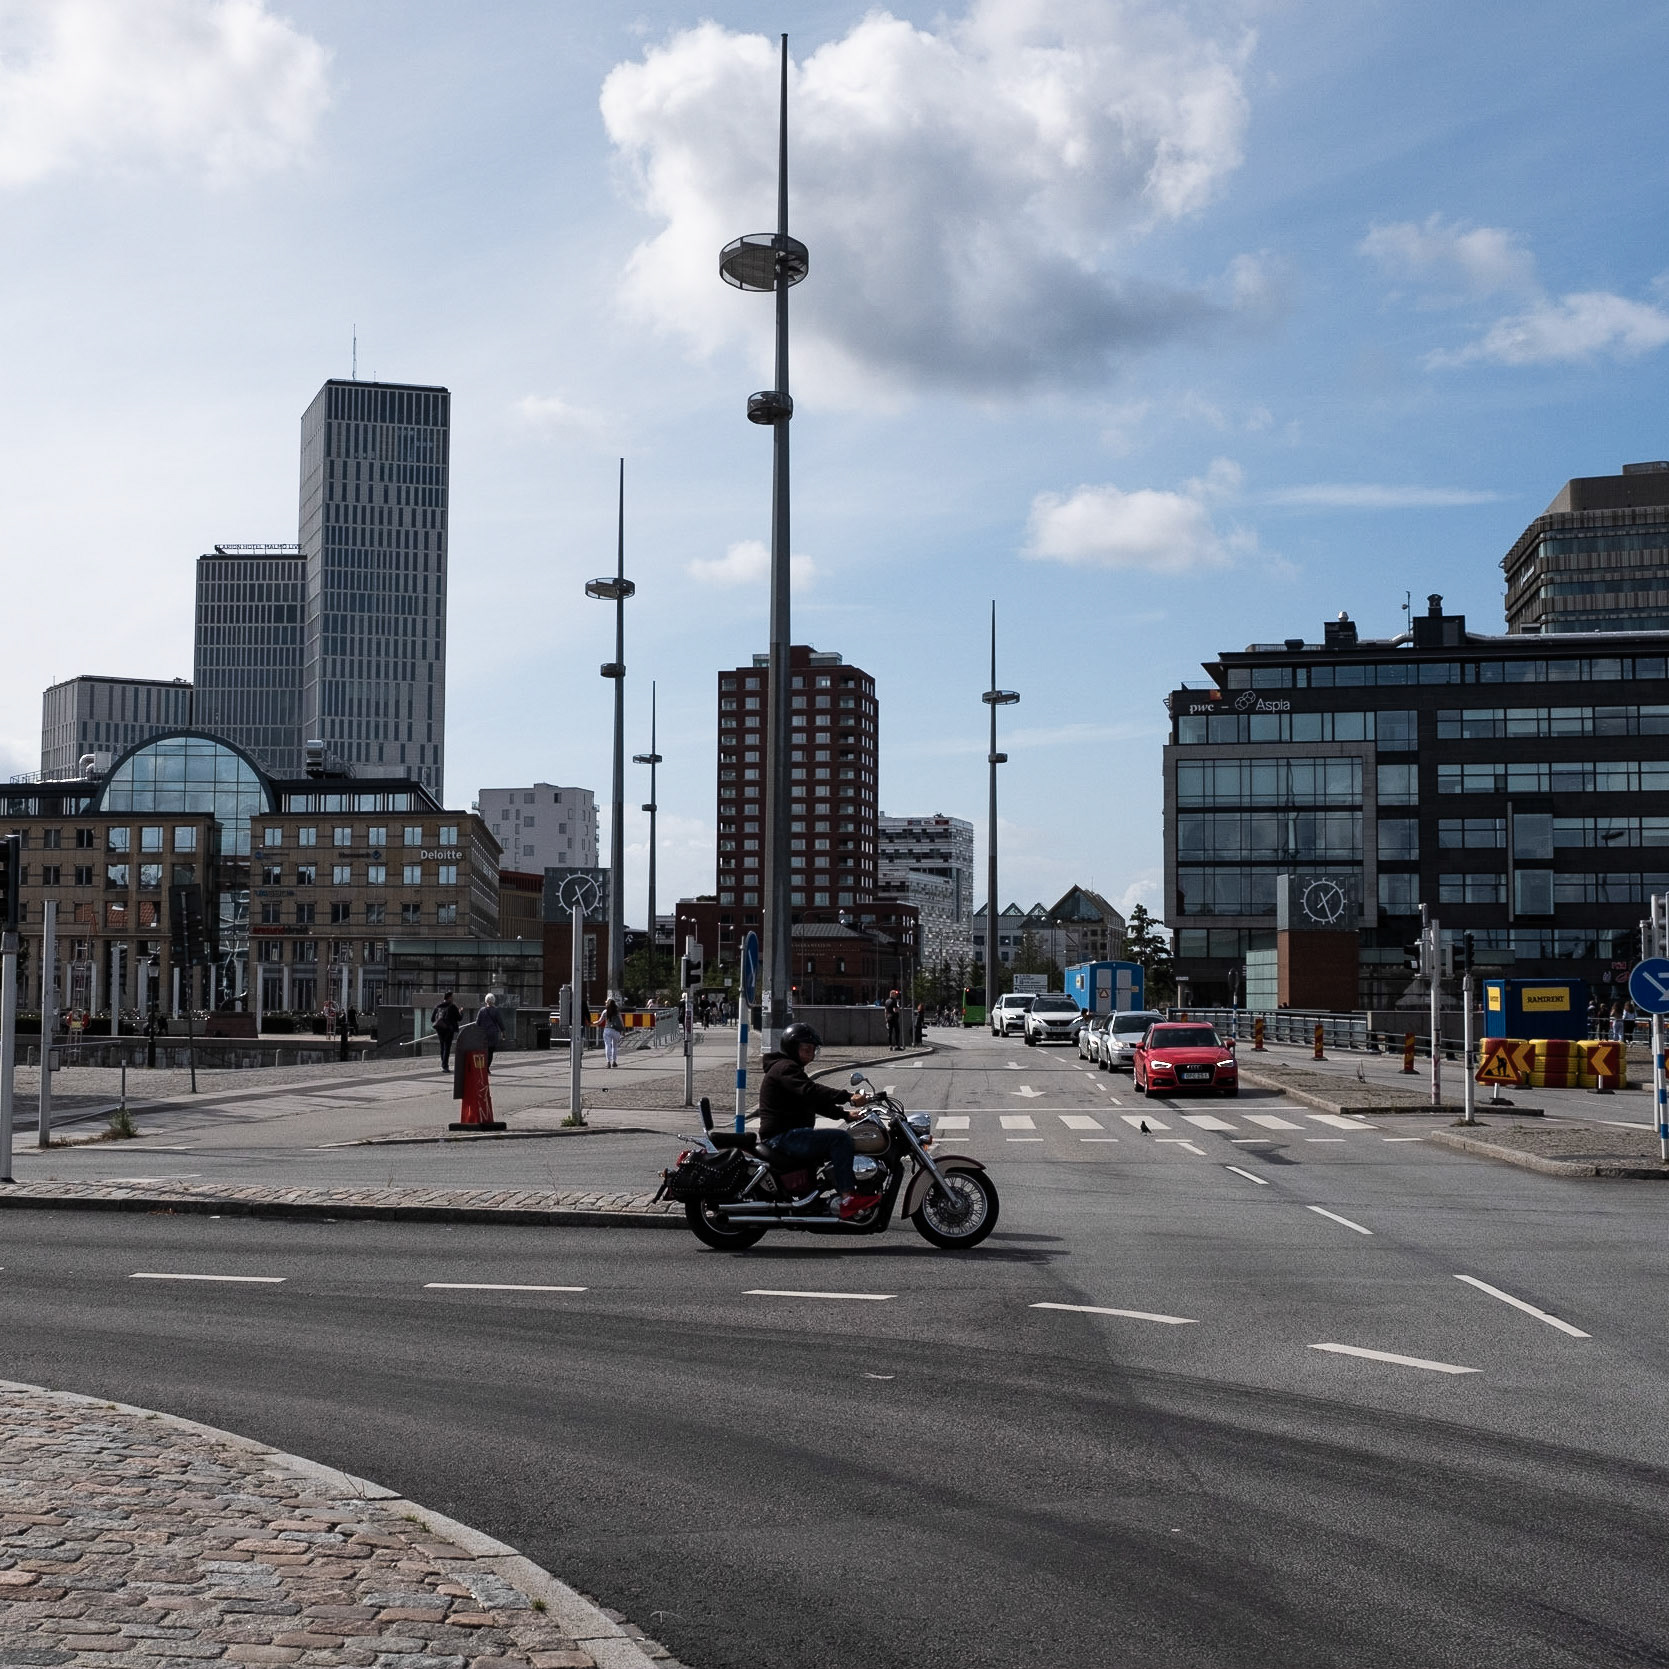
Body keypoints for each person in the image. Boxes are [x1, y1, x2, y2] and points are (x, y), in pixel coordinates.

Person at [758, 1022, 879, 1221]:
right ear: (792, 1048)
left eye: (813, 1050)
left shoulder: (789, 1069)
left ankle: (822, 1193)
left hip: (788, 1135)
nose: (811, 1054)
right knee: (840, 1139)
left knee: (836, 1140)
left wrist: (845, 1115)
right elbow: (810, 1091)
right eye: (806, 1049)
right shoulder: (785, 1068)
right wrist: (848, 1096)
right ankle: (848, 1198)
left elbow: (811, 1102)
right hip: (781, 1137)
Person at [431, 991, 461, 1071]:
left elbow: (432, 1019)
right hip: (448, 1030)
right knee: (447, 1047)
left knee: (442, 1046)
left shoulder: (438, 1006)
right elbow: (459, 1018)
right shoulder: (452, 1007)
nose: (453, 999)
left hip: (439, 1029)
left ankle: (443, 1064)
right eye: (452, 997)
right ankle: (445, 1066)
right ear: (449, 998)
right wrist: (461, 1012)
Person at [475, 991, 505, 1064]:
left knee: (483, 1051)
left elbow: (477, 1023)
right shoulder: (496, 1011)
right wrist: (503, 1032)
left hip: (483, 1033)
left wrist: (477, 1033)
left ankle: (483, 1066)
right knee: (490, 1051)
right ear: (493, 1001)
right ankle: (487, 1066)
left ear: (486, 1001)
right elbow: (500, 1022)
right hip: (493, 1033)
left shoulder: (481, 1010)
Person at [601, 996, 624, 1068]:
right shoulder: (617, 1012)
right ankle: (614, 1062)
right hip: (616, 1031)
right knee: (615, 1046)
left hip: (607, 1030)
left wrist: (592, 1023)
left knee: (607, 1045)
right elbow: (621, 1022)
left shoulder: (605, 1011)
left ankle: (608, 1062)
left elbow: (600, 1021)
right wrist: (623, 1030)